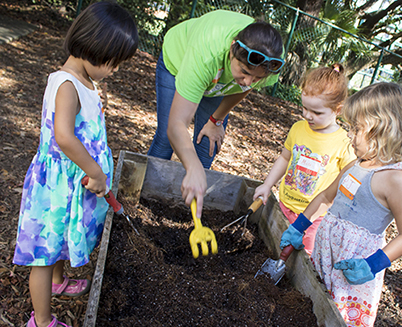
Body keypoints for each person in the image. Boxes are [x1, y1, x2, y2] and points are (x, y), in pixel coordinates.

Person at [12, 2, 138, 327]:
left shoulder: (84, 81)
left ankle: (57, 282)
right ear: (93, 47)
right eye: (113, 63)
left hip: (71, 182)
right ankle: (41, 320)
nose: (114, 71)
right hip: (56, 186)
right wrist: (95, 171)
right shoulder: (66, 85)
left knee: (57, 245)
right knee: (44, 254)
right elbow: (65, 137)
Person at [280, 82, 402, 326]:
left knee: (340, 317)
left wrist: (372, 265)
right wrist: (299, 226)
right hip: (326, 254)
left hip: (353, 268)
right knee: (315, 306)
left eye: (357, 128)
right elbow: (326, 197)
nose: (349, 134)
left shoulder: (396, 180)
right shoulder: (356, 164)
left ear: (384, 130)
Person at [147, 10, 284, 218]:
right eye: (244, 72)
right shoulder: (205, 53)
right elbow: (177, 123)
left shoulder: (269, 63)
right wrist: (191, 168)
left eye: (256, 78)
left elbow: (244, 88)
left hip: (219, 83)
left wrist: (216, 119)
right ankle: (146, 201)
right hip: (177, 64)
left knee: (205, 147)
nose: (248, 81)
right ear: (232, 49)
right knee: (167, 138)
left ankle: (189, 215)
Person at [253, 64, 356, 255]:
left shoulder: (344, 142)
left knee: (303, 257)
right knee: (275, 244)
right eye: (305, 108)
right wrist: (267, 185)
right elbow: (285, 158)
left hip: (313, 218)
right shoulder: (298, 128)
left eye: (317, 113)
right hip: (285, 204)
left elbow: (346, 182)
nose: (308, 115)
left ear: (338, 109)